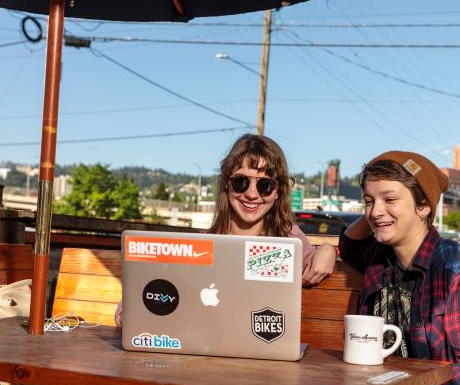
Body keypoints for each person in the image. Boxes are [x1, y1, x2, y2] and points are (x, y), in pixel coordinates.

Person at [115, 134, 337, 327]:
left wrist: (328, 250)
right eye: (241, 182)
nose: (251, 194)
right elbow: (141, 297)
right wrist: (131, 312)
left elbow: (315, 261)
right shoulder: (199, 248)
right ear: (226, 184)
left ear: (278, 191)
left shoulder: (289, 240)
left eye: (264, 185)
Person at [339, 151, 460, 385]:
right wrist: (381, 208)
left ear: (424, 206)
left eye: (390, 199)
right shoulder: (380, 257)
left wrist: (383, 210)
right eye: (368, 201)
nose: (374, 211)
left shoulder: (459, 271)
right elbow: (349, 244)